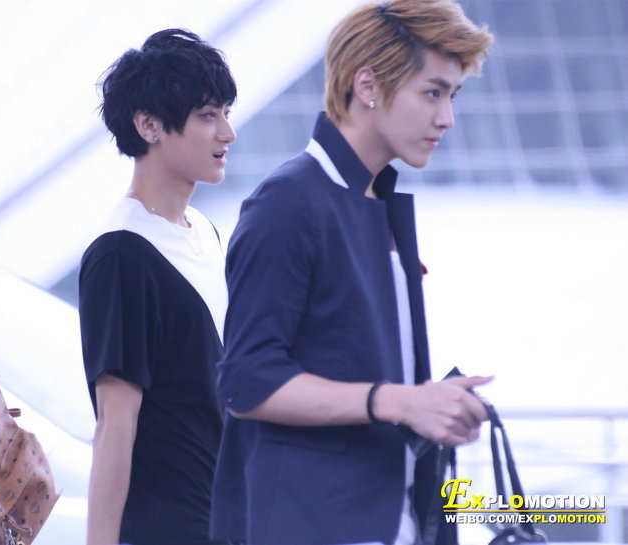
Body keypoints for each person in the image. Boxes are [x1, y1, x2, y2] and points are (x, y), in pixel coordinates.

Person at [211, 2, 495, 545]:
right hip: (309, 522)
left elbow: (354, 371)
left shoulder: (375, 203)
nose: (447, 118)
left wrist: (431, 402)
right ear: (368, 85)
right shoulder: (288, 202)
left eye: (453, 96)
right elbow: (246, 382)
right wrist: (401, 401)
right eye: (432, 93)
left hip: (386, 516)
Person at [78, 29, 237, 545]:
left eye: (225, 112)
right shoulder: (120, 254)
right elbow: (115, 423)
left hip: (229, 517)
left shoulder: (205, 232)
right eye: (208, 115)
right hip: (169, 527)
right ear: (149, 125)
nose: (227, 133)